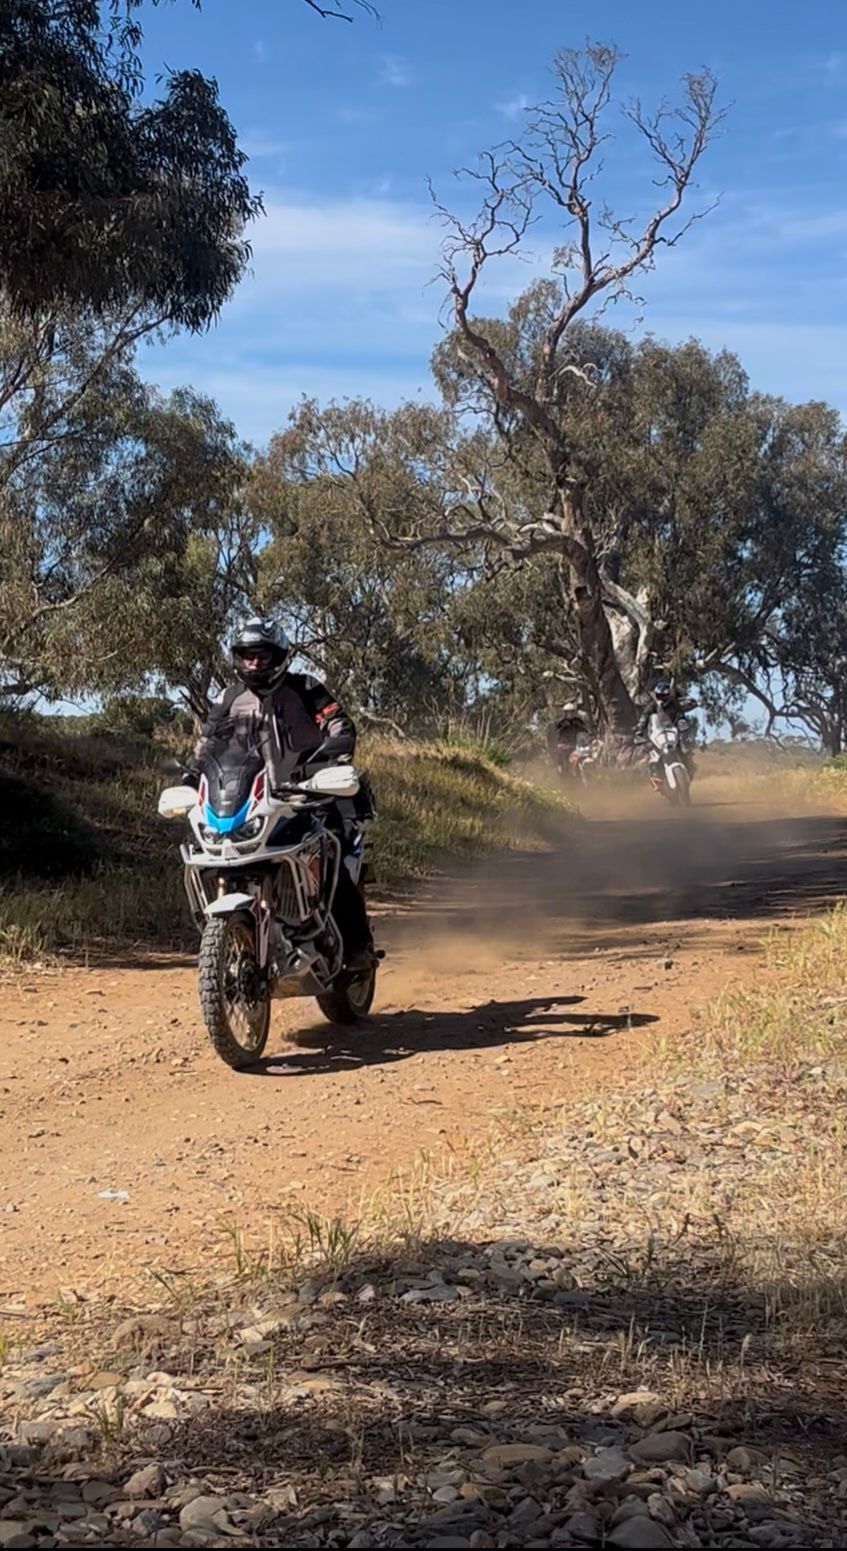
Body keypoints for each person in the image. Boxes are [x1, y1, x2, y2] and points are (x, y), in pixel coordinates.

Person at [186, 616, 375, 970]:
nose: (254, 663)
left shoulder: (305, 687)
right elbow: (207, 744)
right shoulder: (229, 698)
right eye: (247, 655)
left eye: (263, 655)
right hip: (251, 799)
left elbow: (338, 722)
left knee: (330, 853)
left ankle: (356, 945)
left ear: (280, 656)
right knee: (210, 851)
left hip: (308, 794)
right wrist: (190, 776)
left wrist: (335, 752)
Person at [635, 678, 698, 776]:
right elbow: (644, 718)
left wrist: (682, 721)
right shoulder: (652, 707)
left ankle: (689, 767)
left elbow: (679, 714)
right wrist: (639, 730)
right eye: (660, 696)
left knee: (684, 748)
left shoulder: (674, 705)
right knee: (648, 753)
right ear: (656, 695)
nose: (662, 698)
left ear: (669, 695)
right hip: (657, 734)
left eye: (664, 696)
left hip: (672, 733)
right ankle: (653, 773)